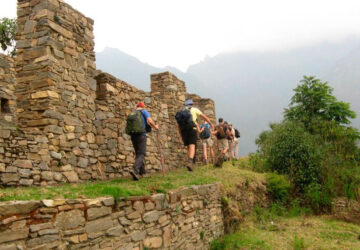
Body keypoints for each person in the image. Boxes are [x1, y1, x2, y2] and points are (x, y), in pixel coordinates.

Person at [176, 99, 213, 171]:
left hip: (183, 130)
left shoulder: (181, 112)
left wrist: (180, 134)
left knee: (188, 147)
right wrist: (211, 124)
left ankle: (191, 163)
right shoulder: (195, 110)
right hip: (192, 128)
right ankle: (190, 161)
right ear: (192, 104)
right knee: (192, 144)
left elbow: (178, 125)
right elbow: (204, 117)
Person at [128, 102, 159, 181]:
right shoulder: (144, 111)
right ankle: (135, 170)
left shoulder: (133, 113)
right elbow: (149, 120)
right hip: (141, 135)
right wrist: (155, 126)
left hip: (133, 135)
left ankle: (143, 173)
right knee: (141, 153)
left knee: (138, 153)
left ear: (136, 106)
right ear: (143, 107)